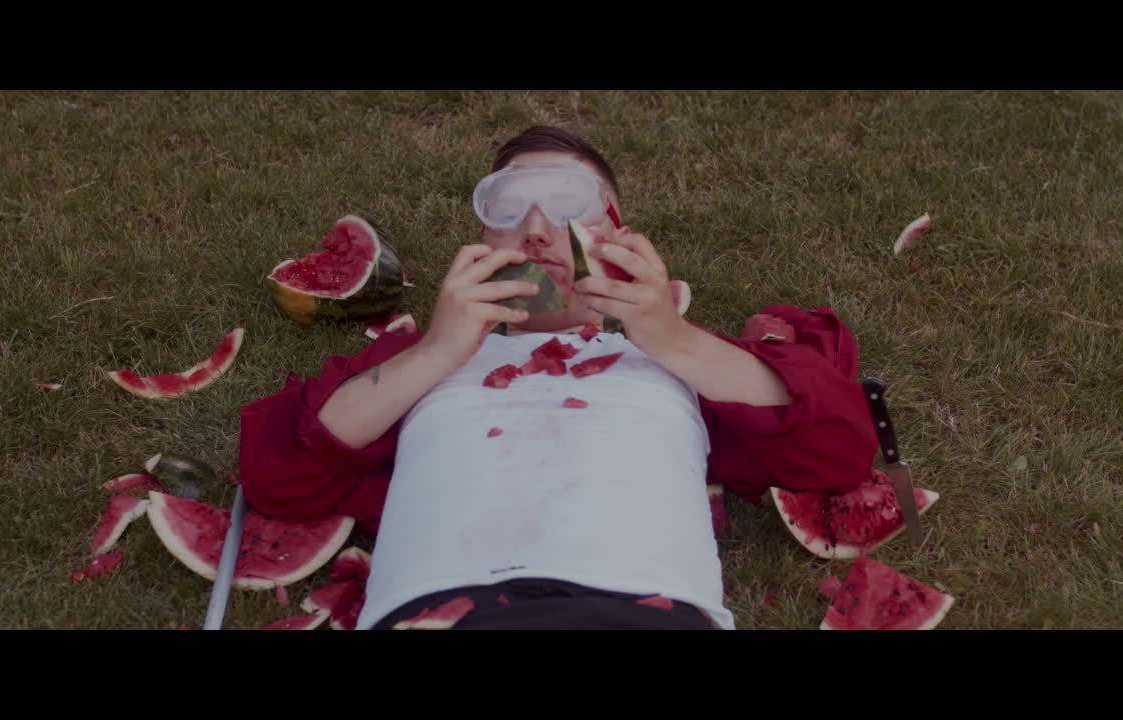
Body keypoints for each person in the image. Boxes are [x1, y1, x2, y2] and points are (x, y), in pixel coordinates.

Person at [238, 126, 878, 629]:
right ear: (486, 236)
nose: (538, 230)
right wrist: (437, 352)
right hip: (438, 616)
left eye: (569, 203)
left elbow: (839, 450)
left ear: (618, 234)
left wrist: (671, 338)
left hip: (646, 615)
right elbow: (275, 475)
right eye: (510, 207)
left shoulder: (679, 363)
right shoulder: (417, 361)